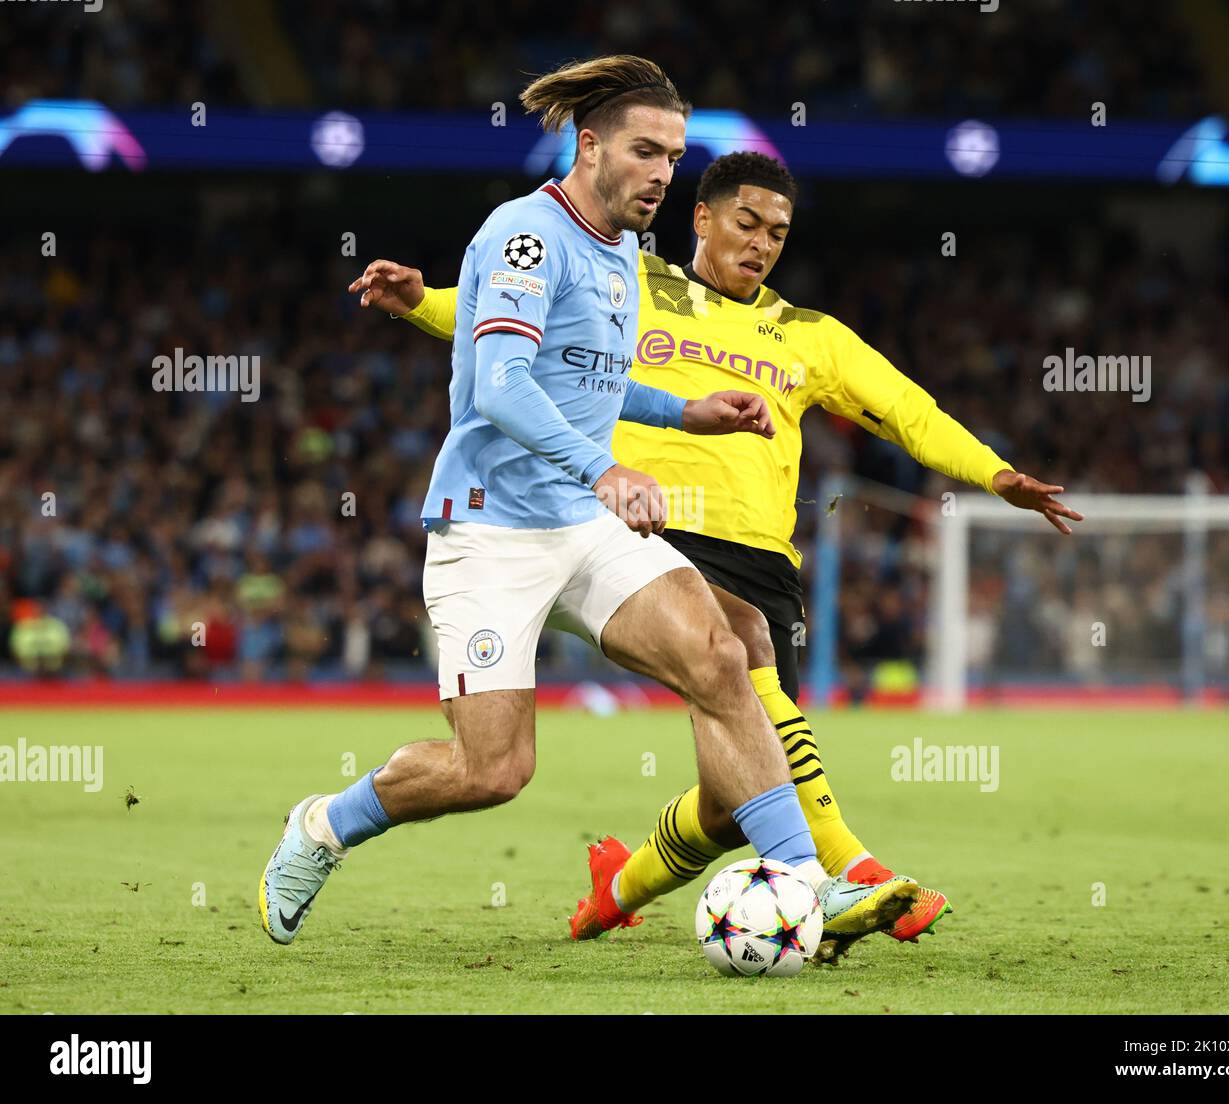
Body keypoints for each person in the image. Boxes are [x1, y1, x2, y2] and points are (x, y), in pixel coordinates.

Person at [362, 151, 1083, 961]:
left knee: (732, 798)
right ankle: (849, 868)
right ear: (700, 218)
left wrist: (995, 474)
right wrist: (422, 302)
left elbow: (910, 412)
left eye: (778, 232)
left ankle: (617, 887)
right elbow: (510, 326)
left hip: (764, 564)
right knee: (739, 644)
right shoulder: (629, 285)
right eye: (746, 222)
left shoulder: (812, 336)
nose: (763, 243)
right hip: (650, 535)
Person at [260, 58, 913, 948]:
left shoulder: (621, 253)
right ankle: (324, 826)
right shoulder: (526, 235)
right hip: (490, 528)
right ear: (591, 143)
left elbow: (596, 382)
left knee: (723, 653)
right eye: (646, 152)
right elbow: (501, 383)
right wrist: (603, 470)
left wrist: (686, 410)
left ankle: (804, 879)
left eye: (674, 159)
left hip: (584, 526)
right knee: (493, 770)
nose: (661, 173)